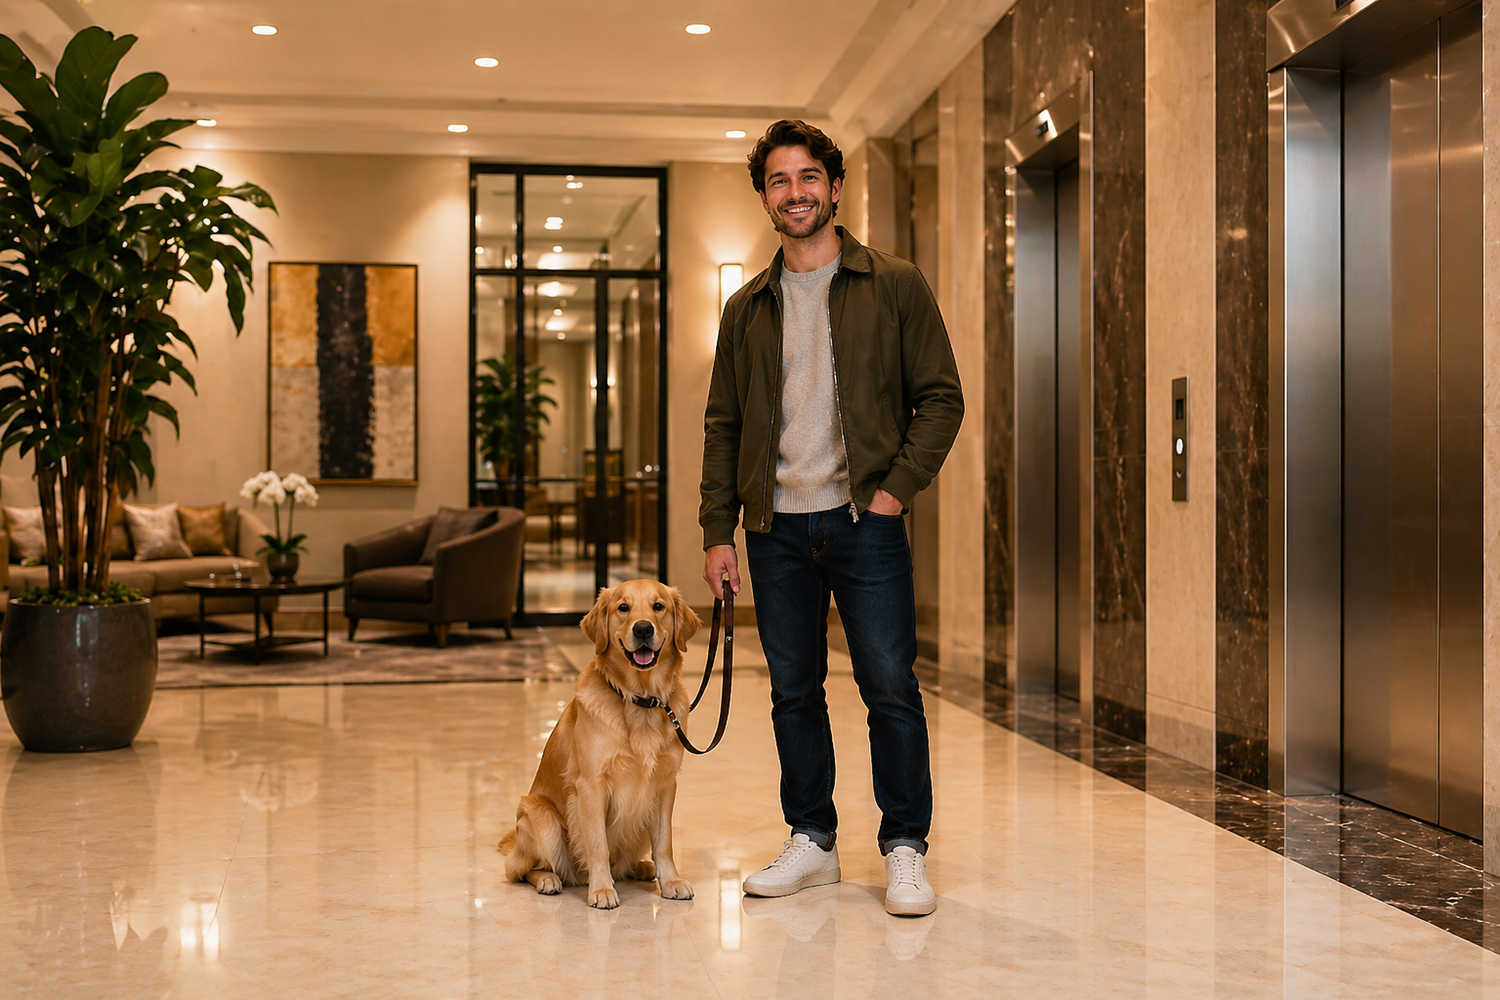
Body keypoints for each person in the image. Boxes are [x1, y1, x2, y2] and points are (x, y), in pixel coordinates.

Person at [699, 119, 963, 916]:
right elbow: (723, 424)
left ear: (835, 187)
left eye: (808, 177)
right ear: (764, 197)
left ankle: (905, 849)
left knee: (889, 688)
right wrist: (719, 530)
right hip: (774, 529)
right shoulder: (747, 308)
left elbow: (941, 397)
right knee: (793, 691)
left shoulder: (894, 284)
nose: (795, 192)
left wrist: (893, 493)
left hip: (864, 524)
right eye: (778, 181)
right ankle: (811, 840)